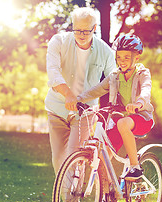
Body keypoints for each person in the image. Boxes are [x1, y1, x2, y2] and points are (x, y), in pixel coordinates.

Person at [45, 7, 116, 178]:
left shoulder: (105, 51)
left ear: (95, 28)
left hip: (85, 111)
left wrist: (115, 105)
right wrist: (68, 94)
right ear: (73, 26)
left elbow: (114, 78)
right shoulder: (58, 42)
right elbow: (53, 71)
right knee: (58, 159)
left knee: (74, 156)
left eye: (86, 30)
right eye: (77, 30)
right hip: (57, 108)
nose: (81, 35)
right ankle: (65, 201)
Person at [77, 34, 154, 181]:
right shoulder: (115, 76)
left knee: (122, 123)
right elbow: (98, 89)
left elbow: (146, 90)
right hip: (121, 121)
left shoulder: (142, 74)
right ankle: (108, 198)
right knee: (103, 157)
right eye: (119, 57)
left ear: (136, 58)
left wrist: (138, 104)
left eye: (126, 57)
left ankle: (135, 167)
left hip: (142, 117)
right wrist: (79, 99)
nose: (122, 61)